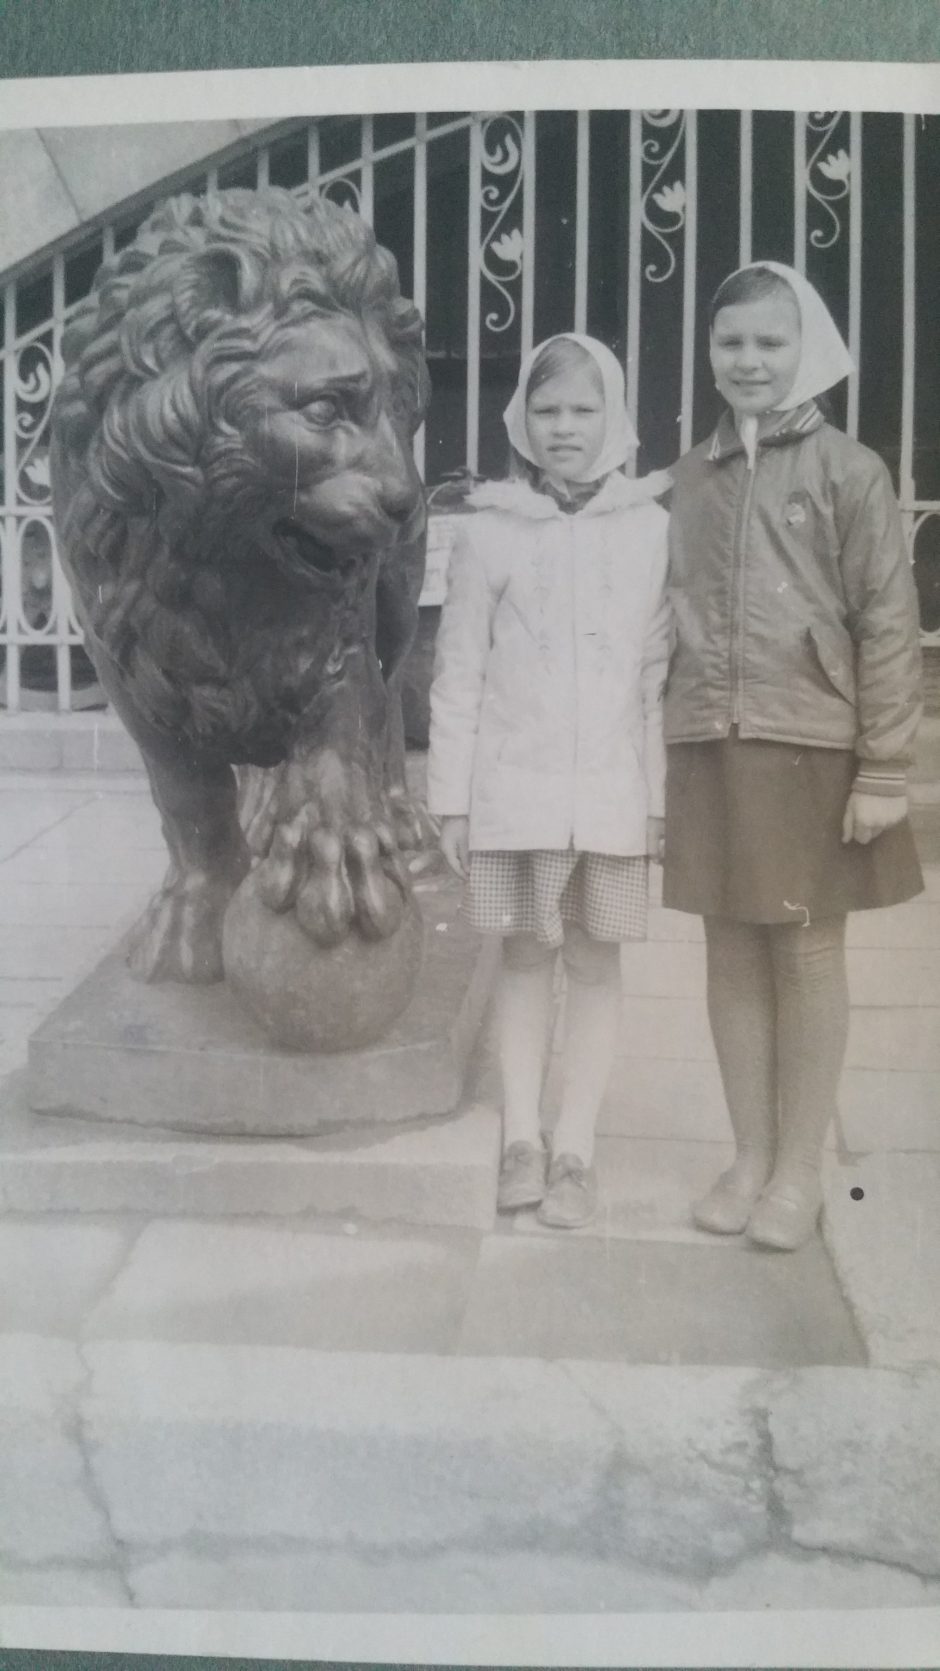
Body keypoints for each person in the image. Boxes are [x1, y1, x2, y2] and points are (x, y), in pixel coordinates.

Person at [663, 260, 924, 1252]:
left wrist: (885, 766)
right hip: (707, 741)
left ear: (805, 349)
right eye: (730, 343)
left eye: (769, 343)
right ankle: (747, 1156)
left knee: (805, 954)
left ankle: (799, 1173)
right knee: (728, 951)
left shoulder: (849, 472)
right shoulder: (690, 475)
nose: (748, 361)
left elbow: (886, 625)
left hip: (812, 745)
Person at [427, 334, 670, 1228]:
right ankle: (521, 1137)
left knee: (596, 961)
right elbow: (458, 672)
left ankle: (577, 1149)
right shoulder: (491, 530)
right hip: (514, 793)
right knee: (524, 955)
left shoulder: (651, 530)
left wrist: (655, 803)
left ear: (615, 417)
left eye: (582, 409)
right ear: (520, 419)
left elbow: (653, 677)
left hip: (608, 794)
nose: (564, 428)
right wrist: (451, 797)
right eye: (547, 409)